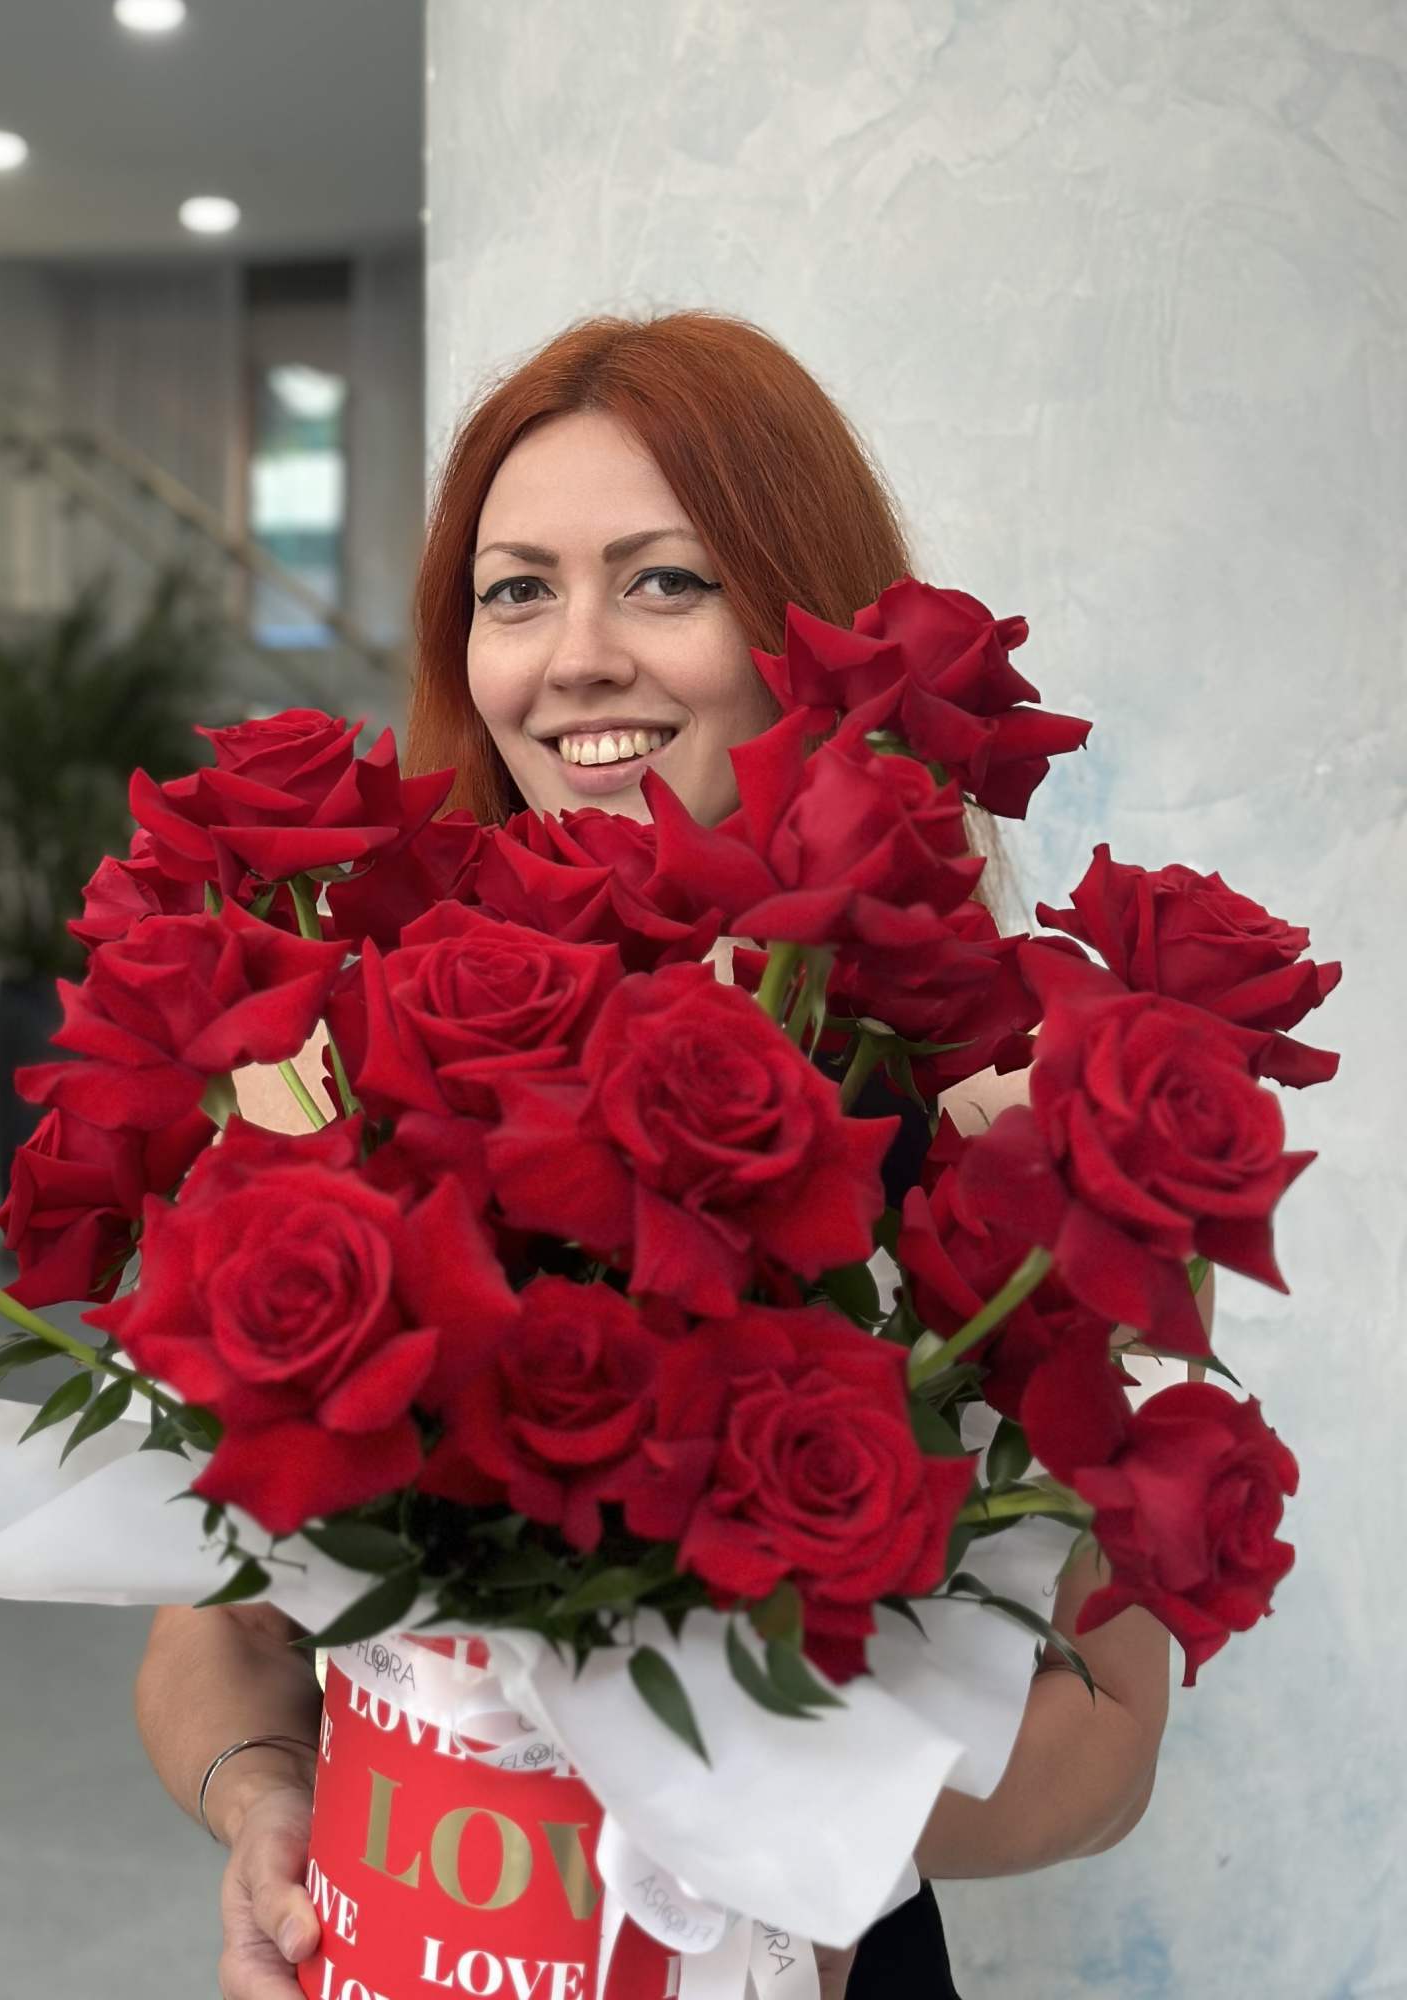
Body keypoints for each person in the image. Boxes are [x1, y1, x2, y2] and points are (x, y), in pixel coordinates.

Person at [135, 310, 1201, 2000]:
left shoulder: (990, 1120)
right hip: (426, 1937)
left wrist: (734, 1800)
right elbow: (223, 1623)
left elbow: (1109, 1736)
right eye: (516, 591)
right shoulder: (358, 1073)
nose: (573, 659)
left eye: (663, 581)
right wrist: (267, 1801)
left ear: (805, 633)